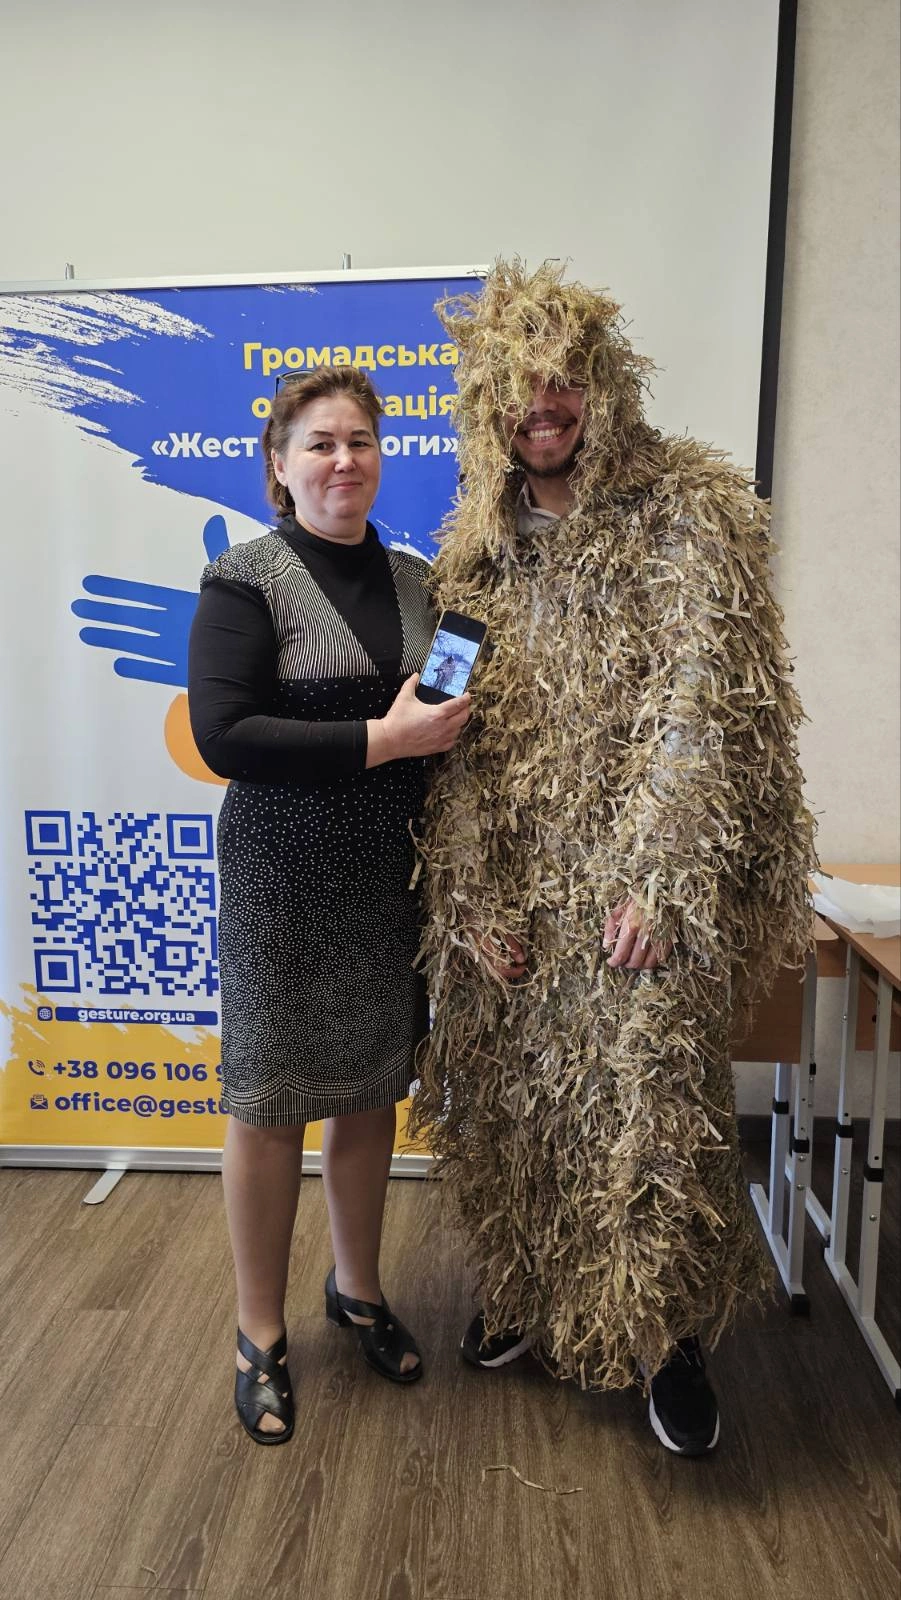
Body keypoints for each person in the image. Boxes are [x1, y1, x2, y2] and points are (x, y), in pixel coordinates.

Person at [409, 261, 816, 1456]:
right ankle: (530, 1294)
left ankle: (665, 1337)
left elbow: (704, 705)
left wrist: (663, 879)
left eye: (565, 382)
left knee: (649, 1107)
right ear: (488, 405)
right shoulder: (474, 550)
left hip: (644, 879)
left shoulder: (687, 510)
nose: (543, 408)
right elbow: (448, 727)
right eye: (519, 389)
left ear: (604, 385)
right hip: (520, 879)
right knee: (515, 1100)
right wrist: (469, 889)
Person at [187, 366, 470, 1444]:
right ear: (279, 464)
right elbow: (225, 737)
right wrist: (381, 741)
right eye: (319, 443)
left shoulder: (418, 583)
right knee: (268, 1106)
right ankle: (259, 1332)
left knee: (367, 1090)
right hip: (281, 878)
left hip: (389, 877)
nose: (343, 459)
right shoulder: (243, 580)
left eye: (360, 440)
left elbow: (447, 717)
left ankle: (357, 1290)